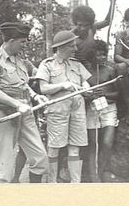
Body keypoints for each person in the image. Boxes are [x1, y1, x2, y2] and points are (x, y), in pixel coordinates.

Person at [0, 22, 49, 183]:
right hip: (5, 109)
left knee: (40, 158)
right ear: (11, 40)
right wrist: (16, 104)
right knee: (4, 163)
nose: (24, 45)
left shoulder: (19, 59)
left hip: (26, 109)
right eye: (22, 42)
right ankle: (3, 202)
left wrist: (35, 96)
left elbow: (23, 83)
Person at [36, 30, 92, 183]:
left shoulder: (76, 64)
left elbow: (85, 81)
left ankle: (75, 183)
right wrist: (63, 85)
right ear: (60, 48)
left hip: (78, 109)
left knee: (75, 146)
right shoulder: (47, 65)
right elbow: (43, 88)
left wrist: (86, 88)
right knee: (54, 147)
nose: (75, 49)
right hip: (57, 110)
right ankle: (52, 183)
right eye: (71, 46)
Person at [85, 40, 119, 182]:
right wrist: (91, 94)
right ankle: (94, 177)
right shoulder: (85, 73)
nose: (102, 58)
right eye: (98, 55)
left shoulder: (111, 71)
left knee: (106, 143)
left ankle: (102, 170)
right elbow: (83, 95)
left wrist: (105, 94)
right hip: (92, 110)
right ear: (92, 56)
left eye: (104, 55)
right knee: (93, 144)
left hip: (109, 109)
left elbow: (118, 94)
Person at [71, 0, 116, 70]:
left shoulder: (92, 29)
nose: (82, 28)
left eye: (86, 25)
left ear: (90, 24)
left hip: (92, 65)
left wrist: (112, 3)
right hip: (76, 67)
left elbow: (108, 21)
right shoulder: (70, 36)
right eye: (80, 25)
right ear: (75, 23)